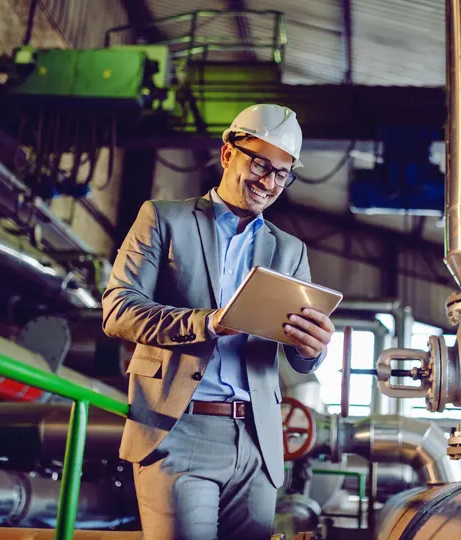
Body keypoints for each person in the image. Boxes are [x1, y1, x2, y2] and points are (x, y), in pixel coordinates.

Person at [102, 103, 335, 540]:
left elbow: (296, 358)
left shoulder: (290, 251)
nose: (268, 182)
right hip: (178, 428)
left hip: (258, 440)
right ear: (228, 153)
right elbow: (118, 309)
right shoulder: (163, 219)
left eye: (282, 174)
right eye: (260, 164)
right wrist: (207, 323)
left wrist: (312, 349)